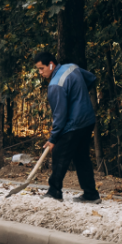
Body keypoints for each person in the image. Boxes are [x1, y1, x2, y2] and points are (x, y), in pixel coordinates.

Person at [33, 50, 101, 204]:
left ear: (51, 64)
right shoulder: (72, 67)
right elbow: (91, 79)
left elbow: (60, 116)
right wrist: (79, 97)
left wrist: (53, 139)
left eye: (41, 68)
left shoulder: (56, 85)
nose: (40, 72)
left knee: (59, 154)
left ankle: (54, 192)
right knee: (81, 156)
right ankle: (91, 194)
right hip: (88, 120)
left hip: (74, 124)